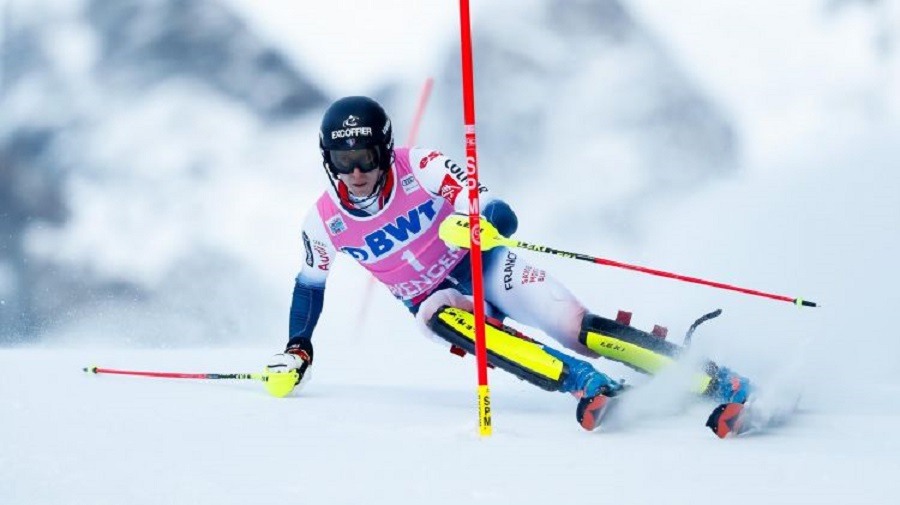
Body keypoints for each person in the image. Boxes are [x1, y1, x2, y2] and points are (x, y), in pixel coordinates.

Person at [266, 96, 752, 431]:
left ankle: (718, 380)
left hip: (485, 263)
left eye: (367, 158)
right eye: (342, 159)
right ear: (327, 159)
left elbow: (498, 209)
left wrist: (478, 222)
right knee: (437, 317)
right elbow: (310, 286)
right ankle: (589, 386)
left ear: (386, 152)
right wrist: (297, 350)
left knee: (580, 330)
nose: (356, 173)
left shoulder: (423, 166)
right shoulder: (323, 221)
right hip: (436, 296)